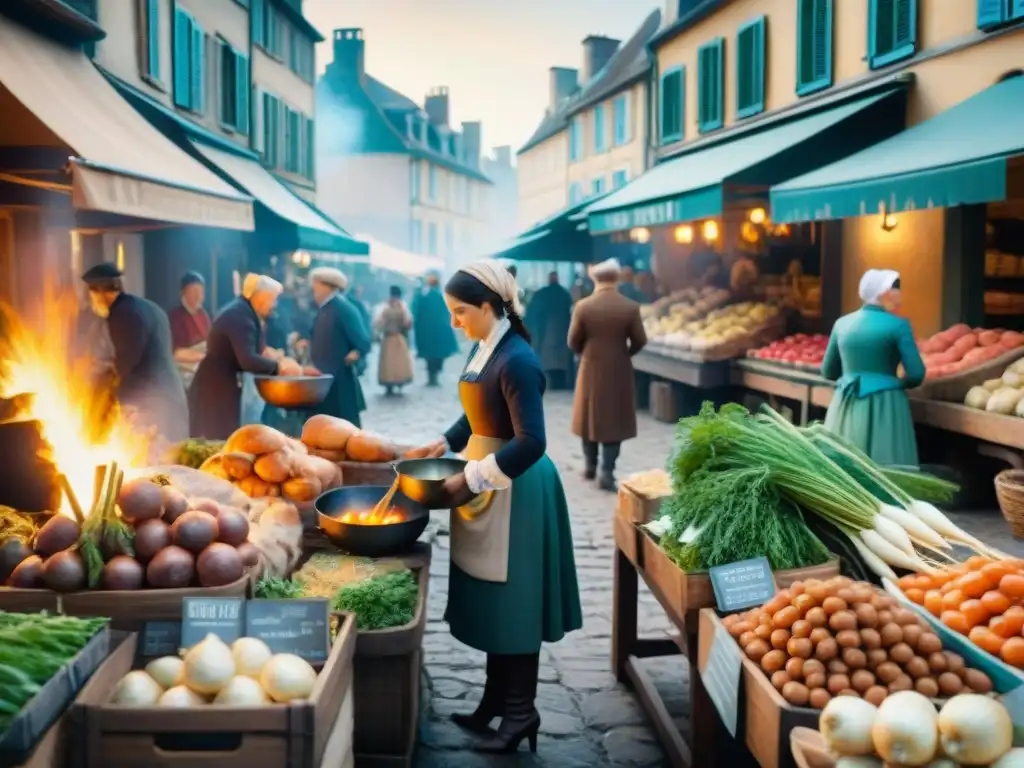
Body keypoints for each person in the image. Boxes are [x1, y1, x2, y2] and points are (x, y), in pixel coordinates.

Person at [404, 261, 582, 754]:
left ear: (488, 307)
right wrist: (442, 441)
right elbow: (478, 409)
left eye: (461, 312)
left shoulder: (519, 360)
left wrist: (472, 477)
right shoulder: (489, 347)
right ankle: (494, 702)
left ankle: (521, 713)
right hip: (484, 481)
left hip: (516, 489)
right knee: (495, 600)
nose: (454, 322)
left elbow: (532, 443)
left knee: (516, 604)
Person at [821, 269, 925, 466]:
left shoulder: (841, 324)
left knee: (842, 466)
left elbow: (828, 371)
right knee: (888, 467)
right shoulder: (898, 326)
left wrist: (850, 377)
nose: (898, 293)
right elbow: (917, 373)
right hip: (887, 405)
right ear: (882, 292)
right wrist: (897, 383)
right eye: (894, 288)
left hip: (846, 402)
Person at [81, 263, 190, 443]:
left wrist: (98, 389)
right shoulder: (146, 306)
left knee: (153, 464)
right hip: (170, 399)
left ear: (100, 293)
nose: (91, 302)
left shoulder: (122, 314)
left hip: (151, 406)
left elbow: (126, 364)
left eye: (91, 296)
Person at [189, 274, 301, 439]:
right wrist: (279, 368)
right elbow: (247, 359)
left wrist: (279, 358)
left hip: (221, 384)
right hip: (214, 388)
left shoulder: (246, 311)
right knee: (217, 439)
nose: (274, 305)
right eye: (273, 299)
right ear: (262, 297)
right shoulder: (240, 316)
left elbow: (258, 349)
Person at [568, 258, 647, 490]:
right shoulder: (630, 307)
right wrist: (625, 353)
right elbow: (640, 340)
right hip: (619, 369)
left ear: (595, 278)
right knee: (615, 420)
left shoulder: (583, 306)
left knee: (589, 418)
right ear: (617, 278)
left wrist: (587, 352)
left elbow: (572, 341)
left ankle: (590, 466)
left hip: (590, 367)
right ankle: (607, 472)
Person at [308, 267, 371, 426]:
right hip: (323, 377)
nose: (313, 291)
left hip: (340, 379)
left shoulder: (343, 308)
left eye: (316, 286)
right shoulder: (324, 309)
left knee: (344, 425)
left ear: (327, 286)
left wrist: (356, 353)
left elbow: (363, 340)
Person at [525, 271, 574, 390]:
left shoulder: (541, 294)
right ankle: (560, 384)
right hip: (562, 335)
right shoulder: (564, 294)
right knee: (560, 364)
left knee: (547, 362)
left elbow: (531, 314)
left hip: (545, 335)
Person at [412, 271, 459, 387]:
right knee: (435, 356)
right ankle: (433, 376)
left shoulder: (427, 296)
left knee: (432, 356)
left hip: (431, 332)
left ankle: (433, 377)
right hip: (436, 332)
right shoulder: (438, 296)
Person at [167, 271, 211, 389]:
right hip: (185, 371)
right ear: (183, 293)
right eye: (194, 291)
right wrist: (203, 356)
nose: (198, 296)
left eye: (201, 292)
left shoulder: (204, 315)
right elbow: (175, 354)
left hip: (203, 364)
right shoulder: (175, 316)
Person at [374, 285, 414, 396]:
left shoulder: (385, 306)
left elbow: (378, 322)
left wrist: (378, 333)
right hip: (397, 337)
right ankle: (397, 383)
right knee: (398, 362)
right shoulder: (402, 306)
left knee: (389, 362)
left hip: (389, 338)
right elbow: (407, 322)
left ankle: (390, 385)